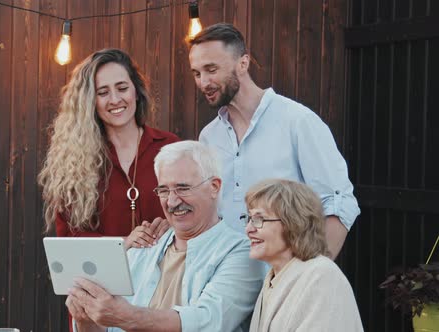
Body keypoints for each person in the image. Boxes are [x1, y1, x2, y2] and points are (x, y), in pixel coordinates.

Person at [188, 23, 360, 258]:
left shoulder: (298, 121)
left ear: (243, 63)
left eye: (211, 69)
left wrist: (311, 273)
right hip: (226, 278)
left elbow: (339, 203)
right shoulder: (208, 136)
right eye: (197, 73)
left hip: (283, 276)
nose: (203, 82)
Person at [65, 141, 264, 332]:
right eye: (163, 190)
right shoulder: (144, 245)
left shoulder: (241, 252)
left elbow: (207, 321)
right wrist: (85, 318)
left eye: (183, 188)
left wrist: (125, 316)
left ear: (214, 187)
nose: (172, 201)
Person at [38, 48, 179, 249]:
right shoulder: (75, 160)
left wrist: (174, 224)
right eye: (102, 93)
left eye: (122, 88)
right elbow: (70, 237)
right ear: (90, 102)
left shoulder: (170, 147)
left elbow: (195, 210)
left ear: (136, 92)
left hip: (165, 275)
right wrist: (123, 243)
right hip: (104, 278)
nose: (114, 100)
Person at [244, 179, 363, 331]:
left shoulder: (322, 276)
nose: (248, 229)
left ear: (293, 223)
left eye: (259, 219)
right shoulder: (274, 278)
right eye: (249, 218)